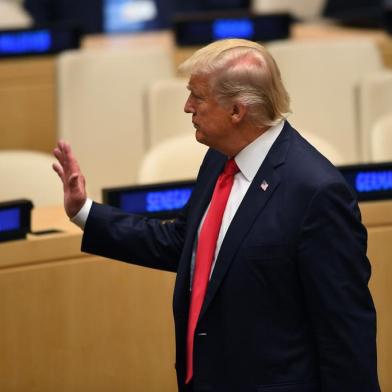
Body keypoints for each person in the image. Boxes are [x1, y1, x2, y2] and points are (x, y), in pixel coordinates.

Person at [53, 39, 380, 392]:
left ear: (237, 111)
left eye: (198, 96)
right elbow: (185, 245)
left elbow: (345, 330)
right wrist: (84, 212)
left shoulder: (316, 191)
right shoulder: (221, 158)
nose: (186, 107)